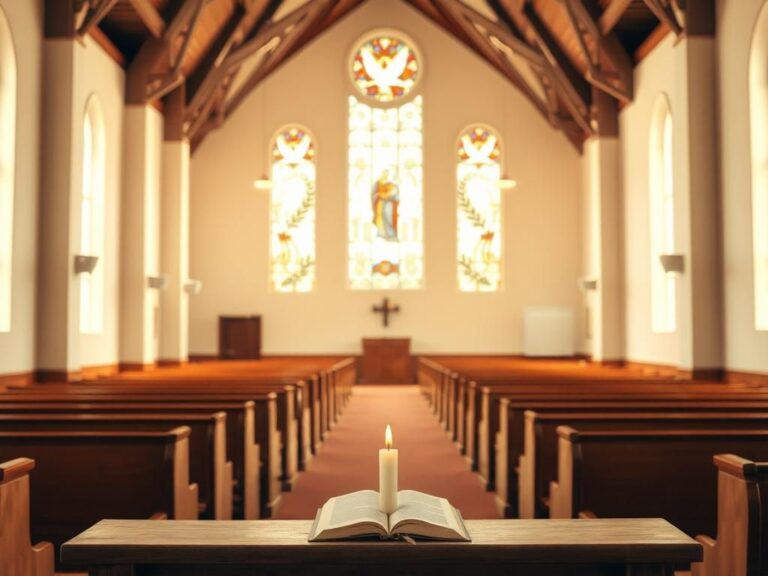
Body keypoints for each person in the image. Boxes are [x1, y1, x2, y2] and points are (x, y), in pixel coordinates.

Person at [371, 169, 400, 241]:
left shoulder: (391, 184)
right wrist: (379, 195)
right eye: (384, 173)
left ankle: (391, 234)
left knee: (388, 217)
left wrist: (389, 195)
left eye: (387, 174)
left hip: (389, 204)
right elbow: (374, 194)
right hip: (380, 205)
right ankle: (382, 234)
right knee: (382, 217)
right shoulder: (377, 183)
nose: (385, 175)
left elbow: (396, 195)